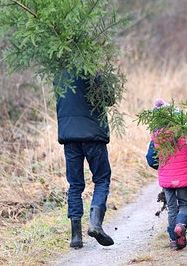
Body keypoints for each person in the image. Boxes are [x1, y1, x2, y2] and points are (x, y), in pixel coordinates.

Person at [55, 72, 115, 249]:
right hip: (93, 135)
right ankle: (95, 224)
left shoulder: (59, 74)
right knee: (102, 179)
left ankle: (75, 237)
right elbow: (109, 98)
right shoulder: (92, 72)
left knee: (75, 185)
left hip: (69, 136)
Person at [146, 99, 187, 251]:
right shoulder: (183, 131)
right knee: (184, 204)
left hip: (167, 178)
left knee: (172, 207)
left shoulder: (156, 136)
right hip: (183, 176)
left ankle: (174, 240)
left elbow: (151, 159)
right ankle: (181, 225)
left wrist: (160, 166)